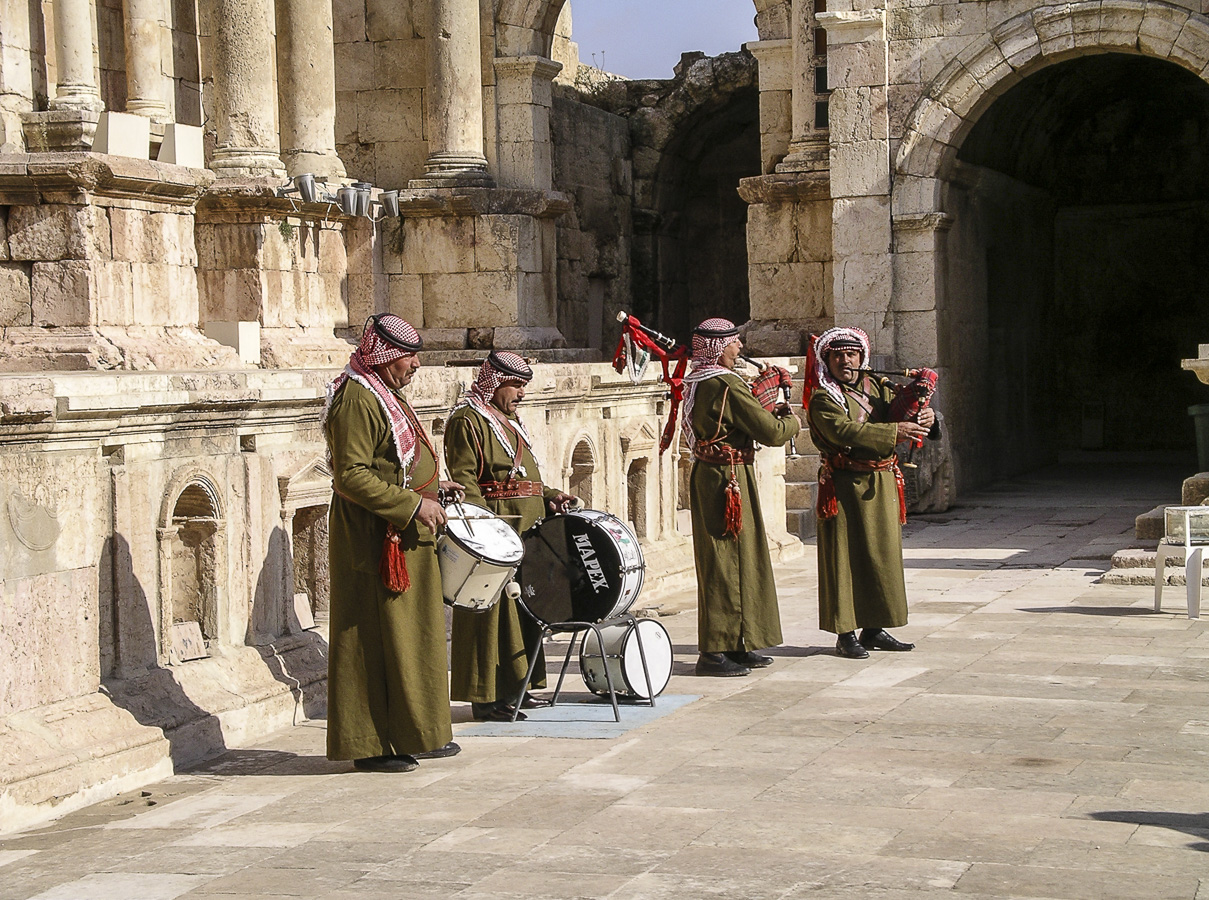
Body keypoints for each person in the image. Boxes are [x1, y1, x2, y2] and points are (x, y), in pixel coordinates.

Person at [322, 314, 464, 772]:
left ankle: (417, 731)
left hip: (404, 533)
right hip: (375, 539)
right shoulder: (357, 399)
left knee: (411, 637)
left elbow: (394, 461)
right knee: (373, 637)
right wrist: (411, 505)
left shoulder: (383, 392)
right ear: (384, 355)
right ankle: (371, 744)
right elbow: (351, 475)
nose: (416, 364)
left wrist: (432, 487)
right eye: (409, 356)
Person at [444, 351, 577, 721]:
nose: (521, 393)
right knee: (491, 611)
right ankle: (486, 697)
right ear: (495, 382)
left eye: (523, 386)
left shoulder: (510, 420)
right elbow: (466, 479)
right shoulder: (467, 420)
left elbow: (524, 476)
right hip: (499, 528)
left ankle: (519, 686)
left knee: (525, 609)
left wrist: (550, 496)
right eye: (515, 385)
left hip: (528, 527)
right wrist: (485, 531)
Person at [805, 326, 934, 659]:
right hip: (844, 484)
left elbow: (901, 414)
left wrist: (925, 418)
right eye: (837, 356)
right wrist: (895, 431)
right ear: (827, 360)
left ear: (862, 357)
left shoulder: (877, 386)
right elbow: (844, 430)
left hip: (881, 481)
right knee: (843, 558)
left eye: (852, 354)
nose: (846, 361)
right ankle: (845, 633)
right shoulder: (823, 397)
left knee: (881, 555)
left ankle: (875, 628)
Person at [682, 318, 800, 676]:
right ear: (719, 348)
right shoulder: (724, 383)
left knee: (740, 558)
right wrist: (790, 421)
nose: (740, 349)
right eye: (735, 343)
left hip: (722, 474)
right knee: (724, 561)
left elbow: (739, 423)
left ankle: (738, 642)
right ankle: (714, 651)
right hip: (726, 480)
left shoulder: (703, 380)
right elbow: (772, 432)